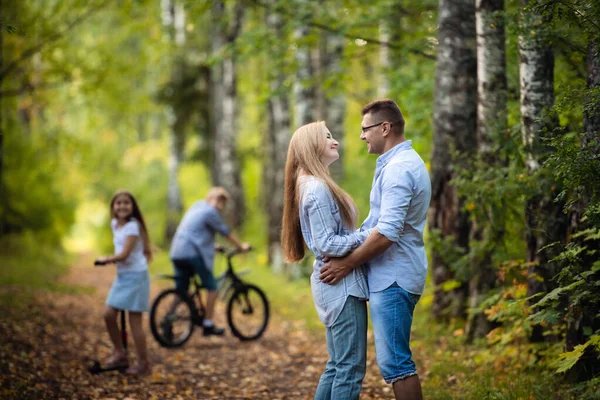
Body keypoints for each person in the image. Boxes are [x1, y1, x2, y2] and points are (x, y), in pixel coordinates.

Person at [319, 99, 431, 400]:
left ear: (385, 127)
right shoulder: (398, 164)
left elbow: (387, 233)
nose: (361, 135)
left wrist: (347, 263)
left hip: (394, 278)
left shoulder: (399, 169)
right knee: (394, 361)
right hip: (394, 274)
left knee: (396, 363)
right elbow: (380, 226)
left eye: (365, 129)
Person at [281, 121, 373, 400]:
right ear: (312, 146)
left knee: (337, 366)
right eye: (328, 137)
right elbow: (327, 244)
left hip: (333, 284)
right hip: (340, 285)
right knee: (349, 369)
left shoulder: (309, 184)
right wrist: (368, 236)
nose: (336, 142)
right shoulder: (317, 188)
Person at [169, 187, 250, 336]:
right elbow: (226, 232)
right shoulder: (210, 211)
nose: (220, 204)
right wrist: (241, 247)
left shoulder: (196, 207)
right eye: (218, 199)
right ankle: (208, 324)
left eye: (222, 202)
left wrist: (213, 246)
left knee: (181, 291)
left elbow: (193, 231)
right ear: (210, 198)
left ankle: (168, 319)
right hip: (192, 253)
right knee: (212, 288)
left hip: (177, 251)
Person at [96, 190, 153, 375]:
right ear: (113, 207)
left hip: (136, 277)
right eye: (118, 203)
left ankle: (143, 363)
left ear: (132, 206)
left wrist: (106, 259)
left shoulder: (132, 227)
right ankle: (120, 353)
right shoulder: (115, 224)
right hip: (123, 277)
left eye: (126, 203)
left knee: (134, 322)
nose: (122, 206)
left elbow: (124, 254)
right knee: (108, 315)